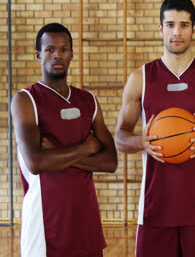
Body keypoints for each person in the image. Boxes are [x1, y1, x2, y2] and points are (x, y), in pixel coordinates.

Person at [114, 0, 195, 256]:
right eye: (170, 24)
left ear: (194, 29)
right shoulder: (141, 78)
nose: (177, 32)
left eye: (184, 25)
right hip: (155, 208)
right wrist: (142, 142)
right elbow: (120, 137)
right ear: (160, 28)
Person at [11, 23, 118, 257]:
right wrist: (87, 148)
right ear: (38, 55)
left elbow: (110, 162)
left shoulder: (88, 100)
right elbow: (36, 163)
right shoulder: (25, 100)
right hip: (45, 225)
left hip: (86, 223)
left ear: (71, 54)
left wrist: (58, 153)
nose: (57, 55)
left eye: (63, 49)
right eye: (49, 50)